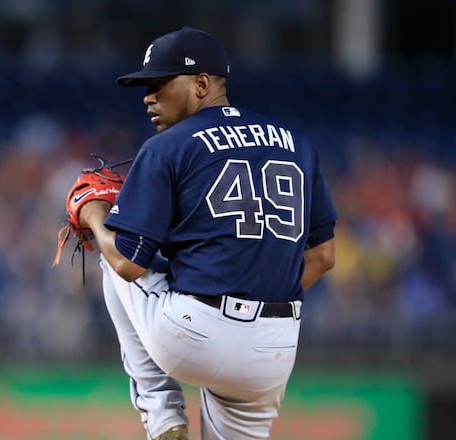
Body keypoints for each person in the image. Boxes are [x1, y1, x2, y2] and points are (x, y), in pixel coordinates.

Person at [77, 27, 337, 440]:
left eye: (159, 84)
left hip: (194, 334)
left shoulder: (167, 146)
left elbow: (128, 263)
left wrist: (93, 215)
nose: (148, 96)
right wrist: (258, 304)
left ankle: (163, 416)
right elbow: (323, 257)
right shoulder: (297, 143)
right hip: (275, 347)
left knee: (113, 251)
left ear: (201, 84)